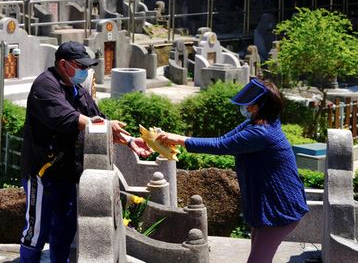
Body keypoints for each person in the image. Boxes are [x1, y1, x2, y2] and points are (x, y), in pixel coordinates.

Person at [19, 41, 151, 263]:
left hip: (67, 171)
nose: (85, 71)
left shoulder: (77, 91)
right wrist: (99, 124)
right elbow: (64, 117)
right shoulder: (45, 85)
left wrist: (129, 141)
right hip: (42, 171)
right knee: (37, 229)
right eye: (81, 66)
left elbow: (98, 120)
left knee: (65, 226)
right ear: (63, 64)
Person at [157, 78, 309, 263]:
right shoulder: (256, 123)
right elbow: (222, 139)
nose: (246, 106)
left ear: (260, 105)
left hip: (279, 208)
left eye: (249, 104)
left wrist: (178, 138)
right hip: (267, 206)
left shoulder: (261, 133)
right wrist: (178, 140)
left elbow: (220, 146)